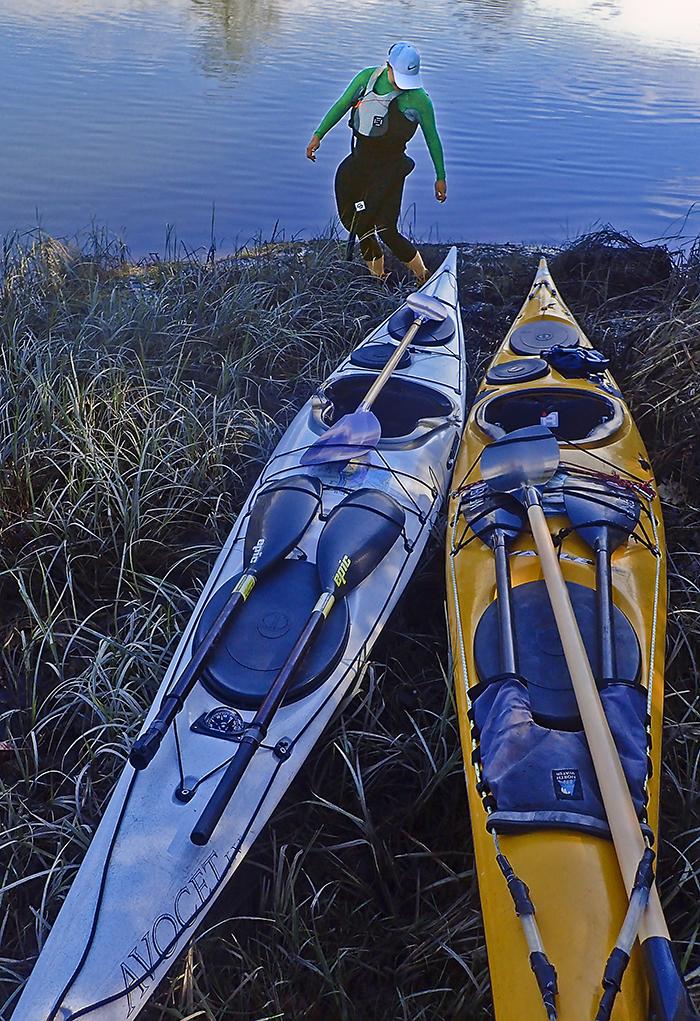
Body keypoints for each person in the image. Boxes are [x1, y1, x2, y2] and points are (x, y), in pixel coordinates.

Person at [306, 42, 446, 284]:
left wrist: (440, 176)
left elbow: (432, 137)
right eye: (398, 76)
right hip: (359, 164)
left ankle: (424, 277)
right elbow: (341, 105)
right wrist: (318, 135)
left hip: (391, 169)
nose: (402, 84)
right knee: (360, 226)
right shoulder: (367, 79)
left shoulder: (419, 100)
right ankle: (378, 280)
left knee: (386, 229)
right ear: (388, 66)